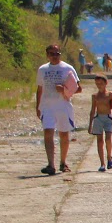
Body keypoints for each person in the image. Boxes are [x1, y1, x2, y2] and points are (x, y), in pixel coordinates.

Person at [35, 43, 80, 175]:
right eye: (52, 54)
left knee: (64, 134)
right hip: (47, 106)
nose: (55, 56)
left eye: (57, 54)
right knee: (48, 133)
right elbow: (39, 89)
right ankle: (51, 164)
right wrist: (38, 106)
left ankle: (63, 162)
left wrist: (64, 90)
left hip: (63, 106)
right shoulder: (42, 69)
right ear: (47, 55)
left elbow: (78, 88)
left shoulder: (67, 68)